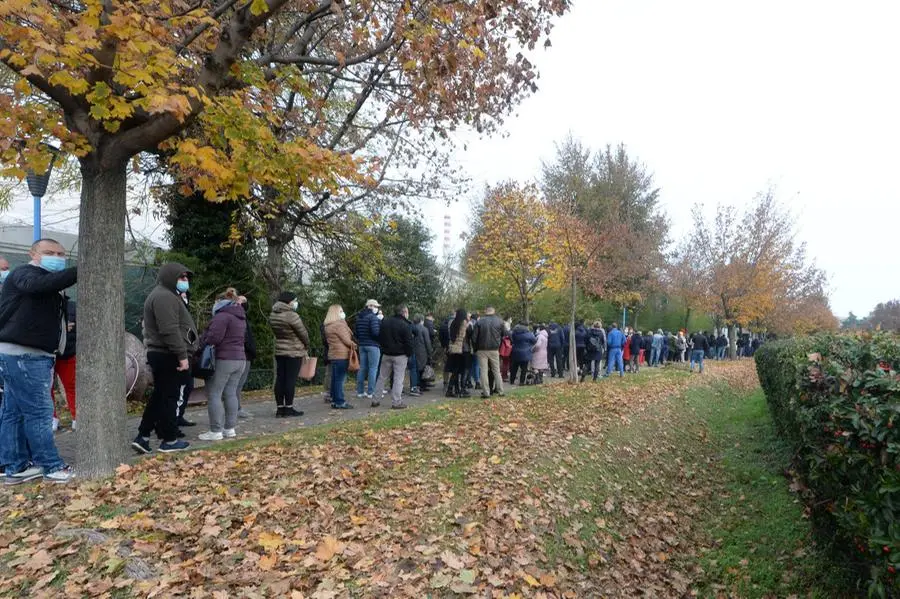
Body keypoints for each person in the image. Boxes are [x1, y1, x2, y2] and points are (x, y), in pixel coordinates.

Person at [0, 239, 78, 483]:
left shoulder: (47, 285)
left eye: (60, 253)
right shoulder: (25, 273)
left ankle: (15, 465)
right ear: (32, 253)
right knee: (40, 412)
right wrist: (80, 269)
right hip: (25, 355)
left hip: (23, 353)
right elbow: (40, 285)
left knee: (13, 412)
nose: (56, 257)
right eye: (49, 252)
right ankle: (51, 465)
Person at [133, 262, 195, 456]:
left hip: (165, 353)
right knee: (169, 396)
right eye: (181, 277)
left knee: (161, 396)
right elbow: (169, 330)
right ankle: (168, 440)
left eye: (186, 277)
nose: (185, 281)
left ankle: (143, 436)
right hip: (168, 354)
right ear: (170, 277)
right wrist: (182, 355)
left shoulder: (167, 295)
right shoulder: (164, 297)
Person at [197, 288, 247, 441]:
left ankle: (215, 430)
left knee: (214, 394)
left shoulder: (222, 316)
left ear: (219, 302)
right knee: (231, 394)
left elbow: (214, 338)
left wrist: (203, 342)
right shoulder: (240, 317)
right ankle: (229, 428)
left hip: (224, 359)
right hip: (240, 359)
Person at [268, 291, 309, 417]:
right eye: (295, 300)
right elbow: (303, 333)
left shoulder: (273, 314)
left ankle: (280, 408)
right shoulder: (292, 315)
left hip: (280, 350)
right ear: (289, 301)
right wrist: (307, 344)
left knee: (280, 379)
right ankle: (289, 407)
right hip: (293, 350)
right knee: (290, 380)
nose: (296, 303)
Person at [372, 304, 413, 409]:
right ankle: (396, 402)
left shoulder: (385, 322)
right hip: (400, 355)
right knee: (398, 379)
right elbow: (408, 343)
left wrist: (384, 348)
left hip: (386, 354)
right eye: (407, 312)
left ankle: (375, 399)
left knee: (381, 378)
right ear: (404, 313)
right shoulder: (405, 325)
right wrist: (409, 354)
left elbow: (379, 337)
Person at [323, 305, 355, 409]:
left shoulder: (328, 325)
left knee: (335, 379)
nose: (343, 313)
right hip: (341, 355)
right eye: (341, 311)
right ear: (336, 313)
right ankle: (340, 401)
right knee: (340, 380)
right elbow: (347, 340)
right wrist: (355, 345)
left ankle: (335, 400)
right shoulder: (339, 325)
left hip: (333, 354)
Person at [53, 299, 77, 430]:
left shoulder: (73, 306)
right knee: (47, 389)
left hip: (67, 353)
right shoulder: (43, 304)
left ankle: (76, 418)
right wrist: (61, 328)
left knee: (71, 386)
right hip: (48, 353)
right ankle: (53, 419)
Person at [472, 306, 505, 398]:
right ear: (493, 311)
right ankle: (500, 391)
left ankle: (486, 392)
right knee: (496, 371)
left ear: (485, 311)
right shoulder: (499, 321)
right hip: (494, 349)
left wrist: (475, 349)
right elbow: (504, 334)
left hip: (482, 349)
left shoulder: (480, 321)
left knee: (483, 371)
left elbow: (474, 338)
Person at [355, 299, 382, 400]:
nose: (377, 309)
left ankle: (360, 391)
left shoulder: (359, 317)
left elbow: (356, 333)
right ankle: (371, 391)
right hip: (373, 345)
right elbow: (375, 333)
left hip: (362, 345)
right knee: (373, 368)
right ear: (371, 306)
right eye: (376, 307)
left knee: (362, 368)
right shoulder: (373, 318)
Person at [235, 296, 255, 419]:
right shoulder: (239, 319)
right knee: (237, 385)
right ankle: (236, 409)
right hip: (242, 355)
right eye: (242, 301)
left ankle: (236, 408)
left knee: (237, 385)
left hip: (244, 354)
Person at [445, 309, 469, 398]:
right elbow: (463, 335)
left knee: (455, 370)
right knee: (457, 371)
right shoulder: (463, 322)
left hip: (452, 348)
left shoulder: (453, 323)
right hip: (459, 349)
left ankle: (455, 389)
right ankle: (450, 390)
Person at [410, 314, 432, 396]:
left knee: (414, 369)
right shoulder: (424, 329)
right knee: (421, 369)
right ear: (421, 320)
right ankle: (421, 385)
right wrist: (430, 353)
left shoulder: (410, 327)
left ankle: (414, 385)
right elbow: (427, 342)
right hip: (422, 351)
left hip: (412, 350)